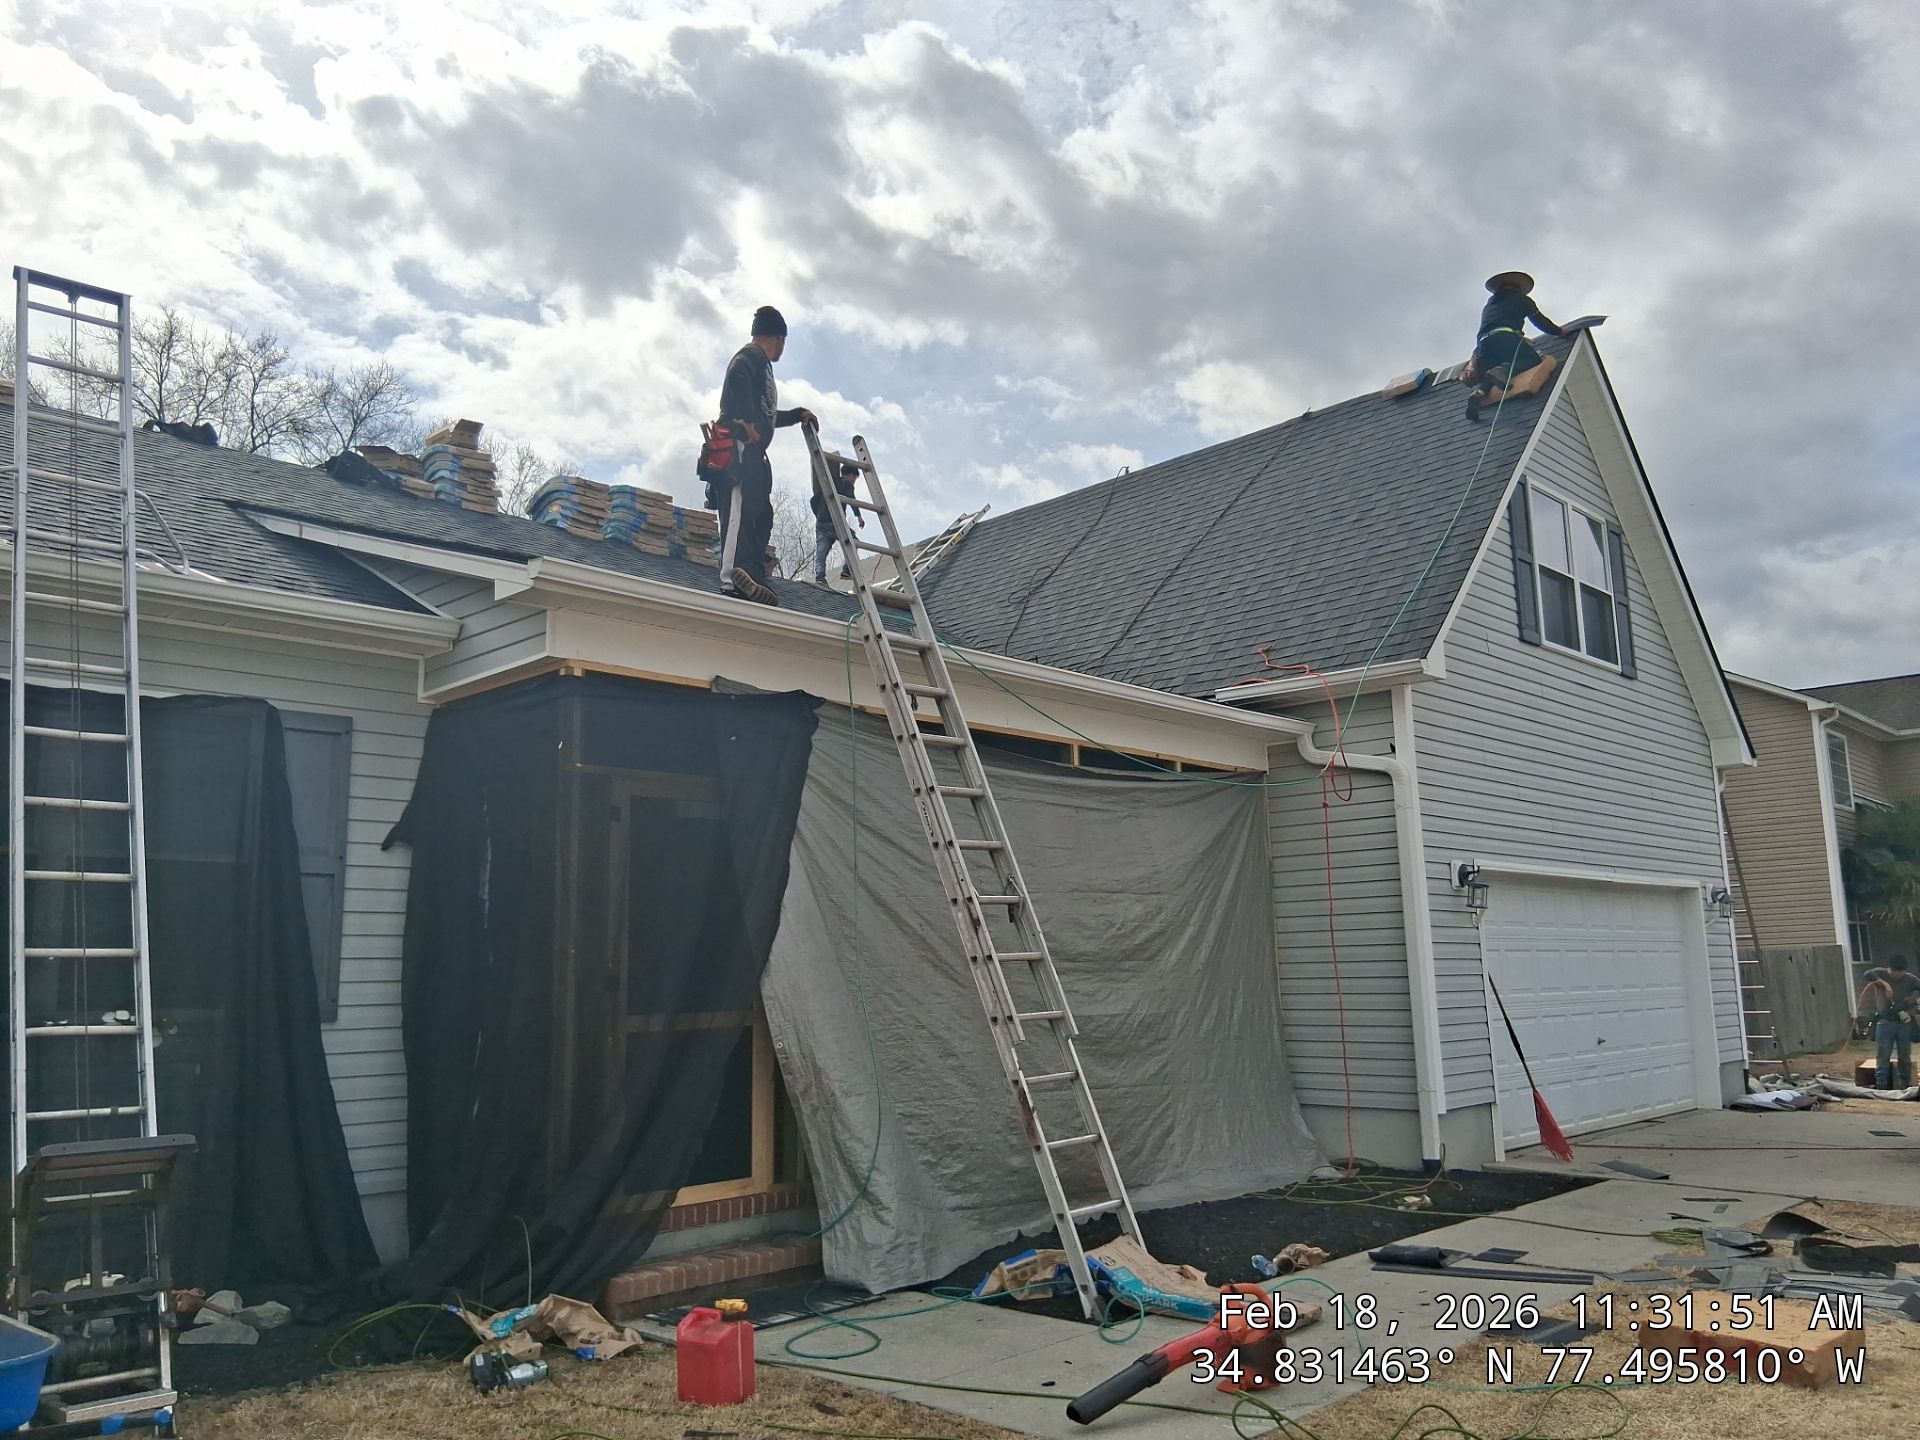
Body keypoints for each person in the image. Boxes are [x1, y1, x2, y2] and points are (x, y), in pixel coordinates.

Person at [714, 306, 815, 605]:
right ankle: (731, 579)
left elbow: (767, 416)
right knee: (738, 512)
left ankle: (752, 573)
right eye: (783, 341)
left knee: (760, 513)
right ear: (779, 338)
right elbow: (737, 376)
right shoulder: (751, 356)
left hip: (753, 450)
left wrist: (798, 415)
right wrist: (745, 422)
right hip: (737, 447)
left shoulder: (763, 367)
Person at [1465, 271, 1564, 422]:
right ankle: (1503, 370)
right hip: (1504, 337)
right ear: (1518, 288)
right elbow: (1540, 321)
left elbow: (1495, 322)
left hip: (1483, 345)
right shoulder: (1522, 300)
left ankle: (1478, 393)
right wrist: (1560, 331)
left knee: (1488, 377)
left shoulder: (1490, 304)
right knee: (1533, 358)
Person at [1858, 955, 1920, 1090]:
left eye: (1900, 973)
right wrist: (1885, 984)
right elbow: (1867, 974)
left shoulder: (1911, 979)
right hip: (1884, 1021)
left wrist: (1912, 1000)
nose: (1897, 975)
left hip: (1903, 1023)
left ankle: (1905, 1084)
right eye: (1894, 973)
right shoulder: (1880, 974)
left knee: (1904, 1055)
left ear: (1904, 971)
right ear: (1889, 969)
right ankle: (1881, 1084)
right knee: (1883, 1055)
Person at [812, 461, 865, 585]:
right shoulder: (846, 484)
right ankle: (847, 569)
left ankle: (820, 577)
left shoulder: (827, 484)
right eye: (855, 479)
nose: (854, 482)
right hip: (835, 522)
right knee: (854, 542)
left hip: (821, 523)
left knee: (822, 551)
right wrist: (859, 517)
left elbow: (813, 501)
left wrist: (819, 514)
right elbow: (852, 500)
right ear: (850, 475)